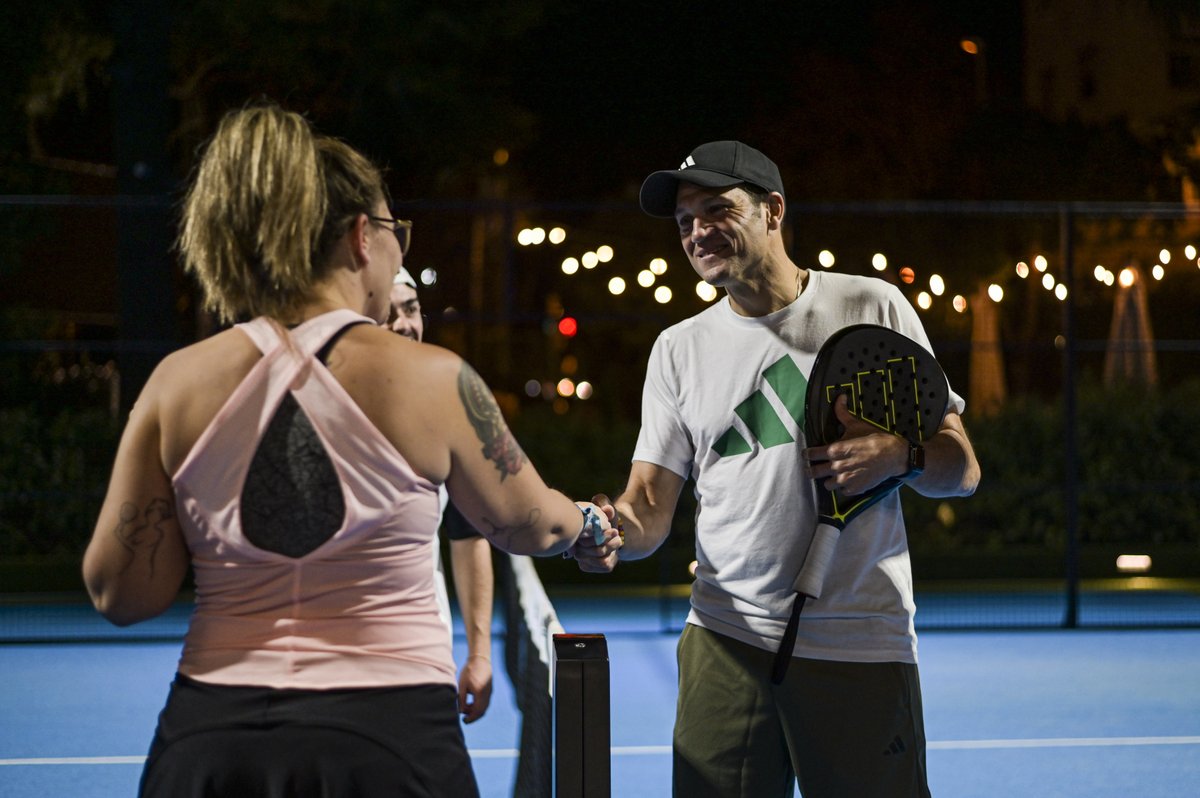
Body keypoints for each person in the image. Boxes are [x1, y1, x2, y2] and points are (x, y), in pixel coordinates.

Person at [81, 103, 609, 798]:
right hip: (389, 737)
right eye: (398, 231)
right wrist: (592, 524)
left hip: (212, 738)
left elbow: (120, 591)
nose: (401, 248)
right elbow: (529, 522)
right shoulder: (429, 378)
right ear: (364, 238)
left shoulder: (179, 382)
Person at [572, 140, 980, 798]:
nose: (697, 232)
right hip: (723, 639)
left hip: (859, 642)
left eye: (716, 210)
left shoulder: (871, 306)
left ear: (773, 211)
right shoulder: (678, 349)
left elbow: (960, 468)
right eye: (684, 221)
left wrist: (899, 456)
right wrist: (611, 527)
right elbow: (648, 503)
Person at [386, 266, 495, 725]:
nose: (403, 325)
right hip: (332, 668)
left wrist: (480, 653)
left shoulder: (448, 401)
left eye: (411, 309)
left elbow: (469, 533)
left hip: (424, 655)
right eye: (386, 314)